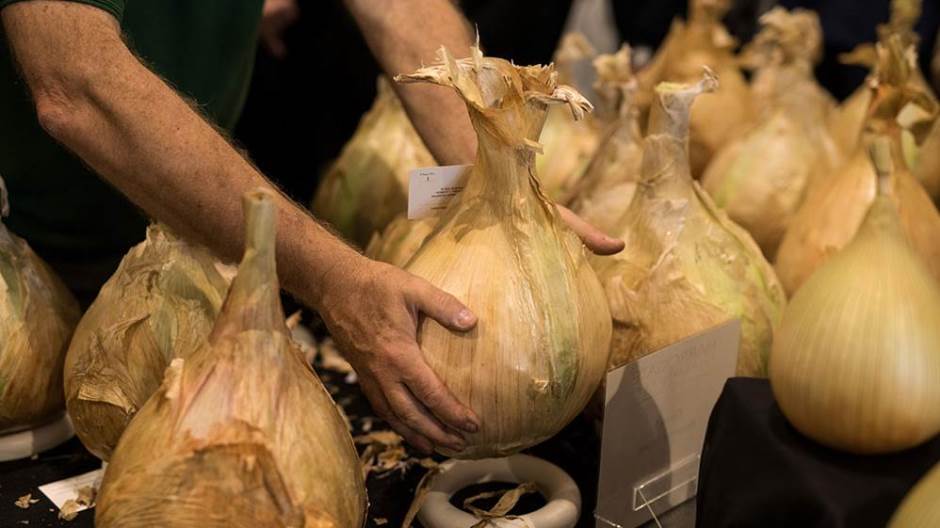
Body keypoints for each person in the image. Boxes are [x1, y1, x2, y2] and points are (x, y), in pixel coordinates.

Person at [0, 1, 623, 454]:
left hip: (198, 245)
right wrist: (333, 278)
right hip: (27, 271)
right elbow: (75, 82)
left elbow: (399, 7)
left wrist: (502, 186)